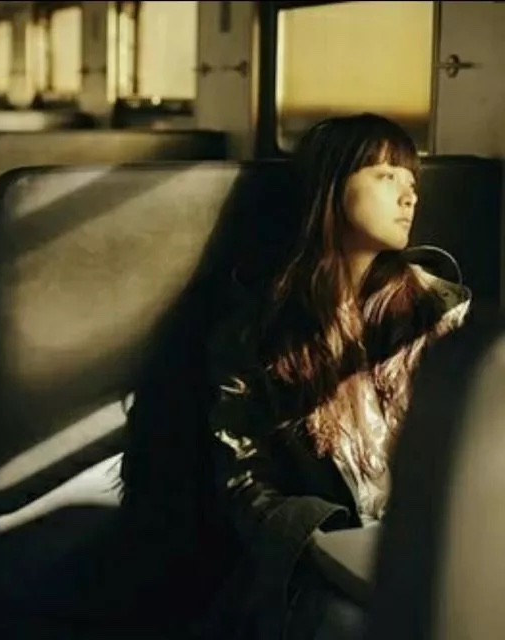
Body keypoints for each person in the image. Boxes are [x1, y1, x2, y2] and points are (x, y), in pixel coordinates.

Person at [203, 113, 471, 640]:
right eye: (387, 176)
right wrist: (324, 537)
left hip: (429, 542)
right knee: (346, 623)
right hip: (319, 555)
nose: (409, 197)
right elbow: (242, 477)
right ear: (332, 186)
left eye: (412, 182)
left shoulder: (438, 311)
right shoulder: (258, 330)